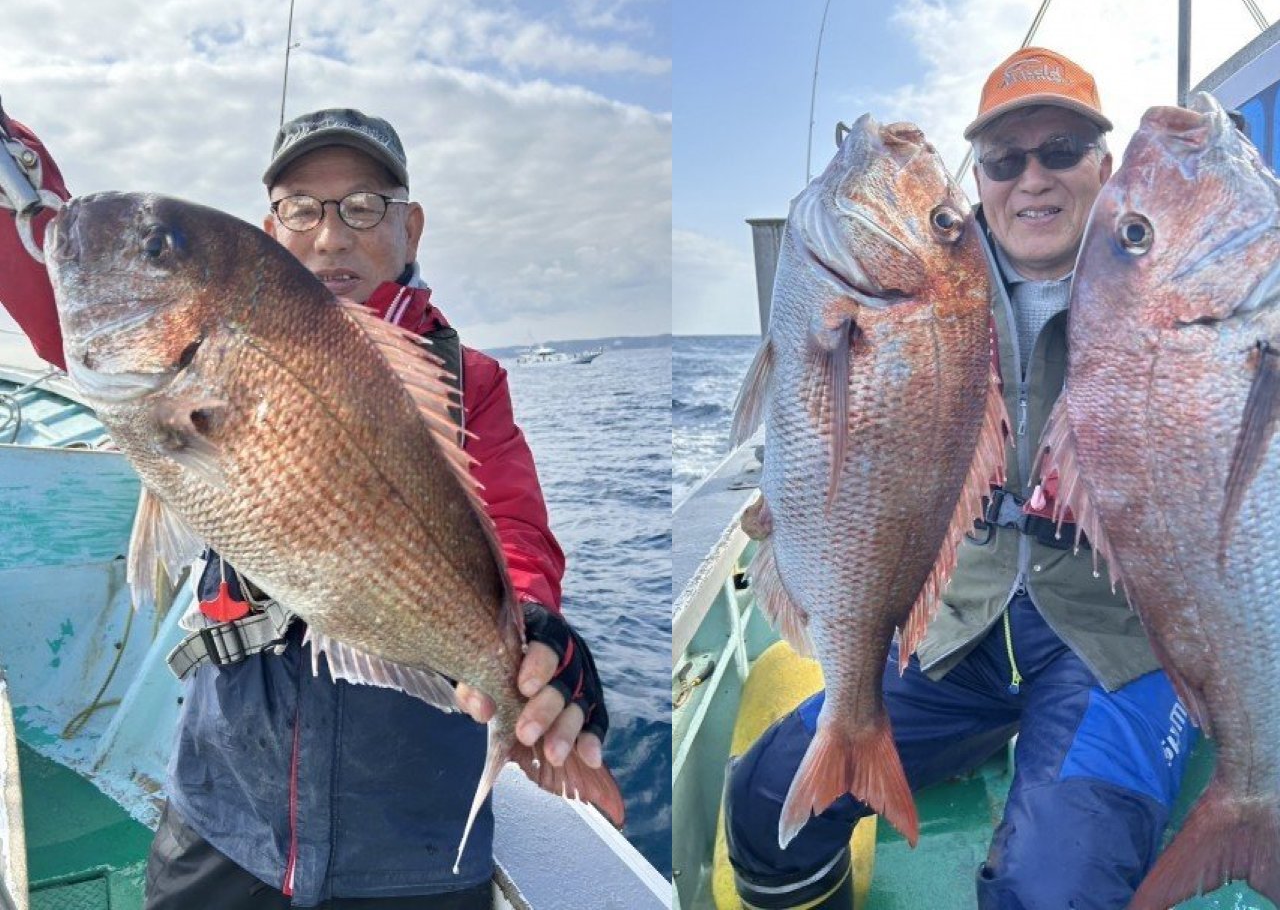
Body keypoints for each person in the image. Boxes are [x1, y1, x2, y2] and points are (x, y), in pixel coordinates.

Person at [0, 105, 612, 909]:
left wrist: (531, 629)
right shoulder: (168, 342)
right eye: (302, 209)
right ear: (271, 227)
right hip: (224, 808)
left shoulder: (472, 380)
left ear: (411, 228)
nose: (331, 237)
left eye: (364, 208)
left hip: (413, 842)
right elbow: (51, 243)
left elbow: (517, 531)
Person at [724, 47, 1198, 909]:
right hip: (959, 620)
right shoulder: (938, 286)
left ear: (1104, 163)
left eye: (1060, 151)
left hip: (1110, 638)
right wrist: (804, 498)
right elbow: (846, 432)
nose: (1033, 180)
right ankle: (963, 735)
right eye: (1005, 160)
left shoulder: (1167, 283)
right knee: (762, 801)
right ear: (977, 180)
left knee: (1052, 889)